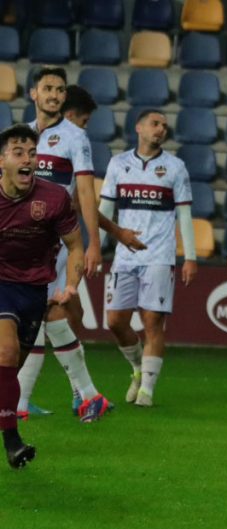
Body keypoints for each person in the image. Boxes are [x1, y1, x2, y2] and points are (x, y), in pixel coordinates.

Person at [17, 67, 118, 423]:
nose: (55, 95)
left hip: (54, 240)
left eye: (60, 90)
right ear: (34, 93)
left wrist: (92, 243)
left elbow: (87, 193)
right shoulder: (20, 136)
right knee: (46, 314)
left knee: (39, 312)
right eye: (48, 88)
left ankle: (24, 402)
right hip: (19, 238)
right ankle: (87, 396)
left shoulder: (75, 137)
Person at [97, 110, 197, 407]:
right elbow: (104, 211)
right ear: (138, 128)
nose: (161, 129)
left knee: (152, 322)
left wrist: (189, 256)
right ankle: (138, 368)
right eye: (155, 124)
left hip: (159, 254)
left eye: (165, 126)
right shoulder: (118, 164)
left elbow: (185, 215)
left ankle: (147, 391)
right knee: (115, 321)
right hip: (125, 256)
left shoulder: (175, 167)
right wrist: (94, 249)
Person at [0, 124, 84, 468]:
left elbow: (76, 245)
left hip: (34, 289)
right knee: (6, 352)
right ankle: (13, 443)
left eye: (32, 154)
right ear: (1, 160)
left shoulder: (53, 198)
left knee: (10, 368)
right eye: (18, 153)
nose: (28, 159)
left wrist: (72, 284)